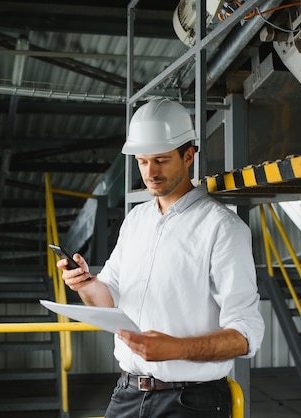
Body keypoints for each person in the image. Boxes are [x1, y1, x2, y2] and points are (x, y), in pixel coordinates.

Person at [57, 98, 264, 418]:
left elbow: (246, 334)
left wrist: (176, 348)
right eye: (142, 161)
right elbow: (107, 296)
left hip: (191, 403)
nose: (150, 173)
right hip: (126, 395)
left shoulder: (222, 228)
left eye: (161, 160)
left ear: (188, 156)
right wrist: (84, 283)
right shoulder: (136, 220)